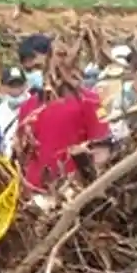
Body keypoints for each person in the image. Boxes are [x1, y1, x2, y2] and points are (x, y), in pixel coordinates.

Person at [16, 51, 112, 192]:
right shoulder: (29, 105)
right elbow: (22, 151)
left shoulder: (90, 101)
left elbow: (101, 150)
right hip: (34, 190)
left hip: (72, 190)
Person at [0, 66, 30, 156]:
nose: (16, 89)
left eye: (19, 85)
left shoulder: (35, 107)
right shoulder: (0, 109)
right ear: (3, 87)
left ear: (26, 85)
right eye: (12, 85)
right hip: (7, 163)